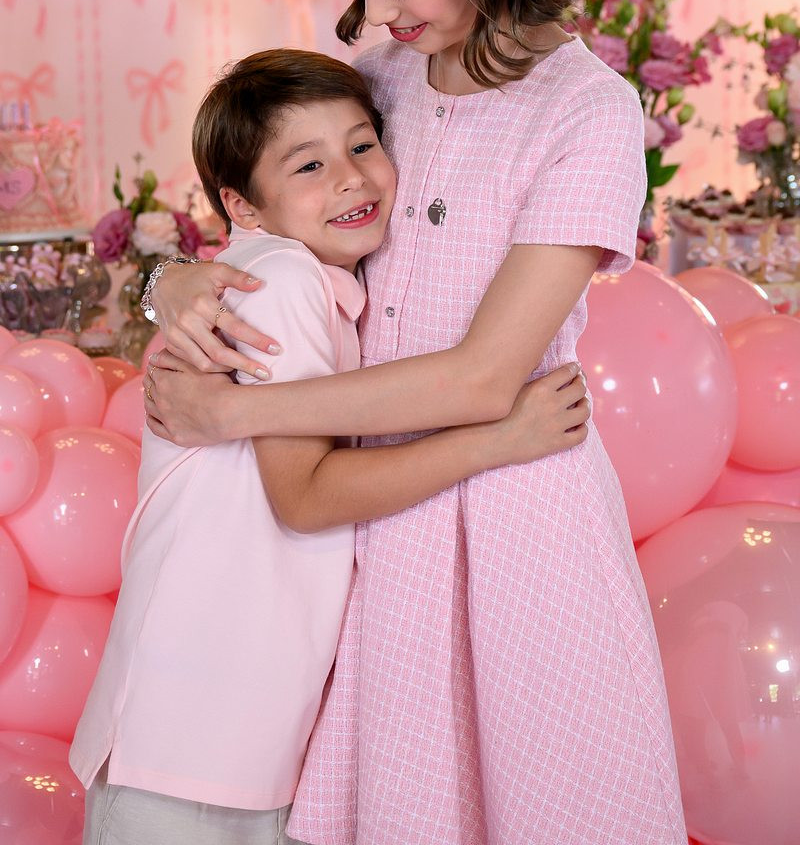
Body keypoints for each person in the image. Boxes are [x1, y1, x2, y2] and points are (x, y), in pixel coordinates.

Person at [145, 0, 687, 845]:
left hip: (518, 507)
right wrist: (167, 279)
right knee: (403, 796)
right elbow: (271, 226)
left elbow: (484, 379)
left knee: (541, 794)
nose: (379, 10)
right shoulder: (381, 77)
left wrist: (238, 415)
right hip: (380, 508)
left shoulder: (584, 112)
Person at [71, 48, 587, 845]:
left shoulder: (308, 278)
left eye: (363, 145)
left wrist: (161, 275)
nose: (351, 178)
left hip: (219, 723)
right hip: (190, 731)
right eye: (309, 164)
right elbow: (307, 496)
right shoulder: (278, 283)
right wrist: (499, 440)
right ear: (243, 205)